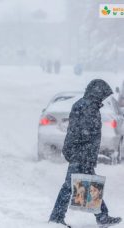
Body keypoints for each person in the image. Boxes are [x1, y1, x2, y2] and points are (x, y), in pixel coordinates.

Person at [49, 79, 122, 227]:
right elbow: (82, 133)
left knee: (90, 184)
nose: (103, 98)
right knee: (70, 186)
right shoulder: (88, 107)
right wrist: (83, 154)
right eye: (103, 95)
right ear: (97, 93)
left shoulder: (85, 105)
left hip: (81, 153)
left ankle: (102, 217)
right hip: (81, 154)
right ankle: (57, 218)